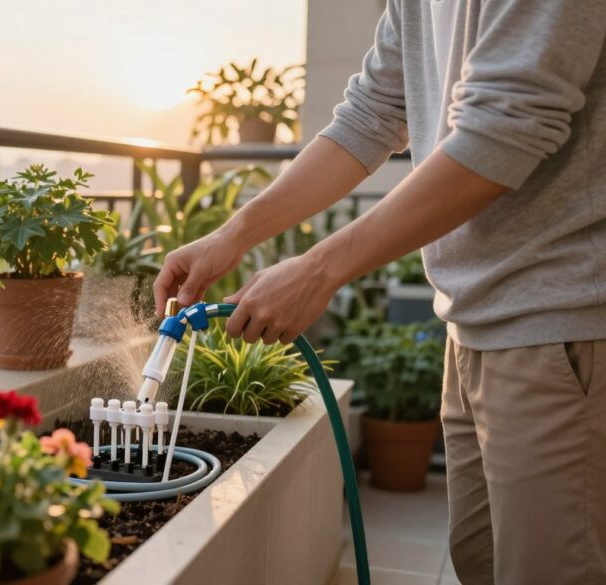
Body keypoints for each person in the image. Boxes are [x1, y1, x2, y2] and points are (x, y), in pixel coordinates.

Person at [154, 1, 606, 583]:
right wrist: (232, 234)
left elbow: (503, 131)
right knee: (481, 561)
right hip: (473, 325)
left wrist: (318, 270)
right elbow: (370, 113)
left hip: (559, 319)